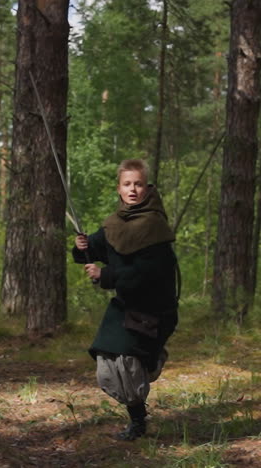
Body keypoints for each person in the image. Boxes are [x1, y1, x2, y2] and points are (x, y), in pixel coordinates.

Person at [72, 159, 180, 441]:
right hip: (126, 307)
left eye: (139, 184)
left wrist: (104, 275)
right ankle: (147, 372)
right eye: (127, 184)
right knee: (108, 363)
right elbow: (95, 248)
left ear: (147, 187)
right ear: (119, 189)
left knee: (130, 364)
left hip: (155, 308)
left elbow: (147, 273)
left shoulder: (154, 226)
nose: (133, 190)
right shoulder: (115, 223)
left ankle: (138, 422)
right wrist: (82, 246)